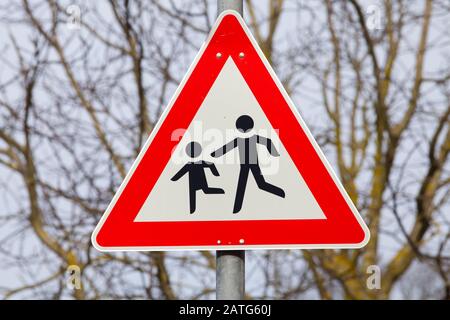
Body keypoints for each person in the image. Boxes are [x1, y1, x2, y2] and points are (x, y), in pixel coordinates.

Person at [211, 115, 285, 213]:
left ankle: (281, 193)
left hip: (253, 164)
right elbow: (227, 148)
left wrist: (275, 154)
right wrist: (215, 154)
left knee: (260, 184)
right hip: (245, 166)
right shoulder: (240, 140)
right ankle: (236, 209)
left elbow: (267, 141)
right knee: (244, 185)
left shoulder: (251, 138)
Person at [171, 141, 224, 214]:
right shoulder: (194, 163)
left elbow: (180, 173)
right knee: (201, 192)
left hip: (196, 181)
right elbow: (211, 165)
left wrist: (174, 179)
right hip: (197, 181)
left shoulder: (191, 164)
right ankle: (192, 211)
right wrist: (215, 174)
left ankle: (221, 191)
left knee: (201, 192)